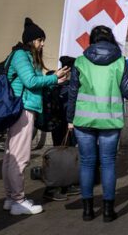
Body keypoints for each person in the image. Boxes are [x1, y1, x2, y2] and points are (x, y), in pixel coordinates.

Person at [65, 25, 128, 222]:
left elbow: (72, 92)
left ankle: (87, 211)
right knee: (108, 163)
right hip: (110, 120)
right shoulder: (121, 62)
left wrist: (70, 118)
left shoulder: (80, 61)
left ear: (93, 40)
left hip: (83, 121)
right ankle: (108, 211)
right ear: (110, 40)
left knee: (87, 163)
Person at [3, 17, 69, 216]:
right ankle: (18, 201)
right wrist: (55, 78)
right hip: (22, 108)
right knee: (20, 158)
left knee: (10, 156)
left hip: (18, 108)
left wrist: (53, 78)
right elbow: (31, 82)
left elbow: (34, 80)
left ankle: (10, 198)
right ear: (31, 40)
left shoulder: (19, 55)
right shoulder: (21, 56)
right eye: (40, 40)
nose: (43, 44)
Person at [41, 55, 79, 201]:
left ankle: (66, 184)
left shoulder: (57, 81)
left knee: (65, 154)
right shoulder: (61, 83)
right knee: (60, 156)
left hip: (60, 123)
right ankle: (52, 189)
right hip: (61, 124)